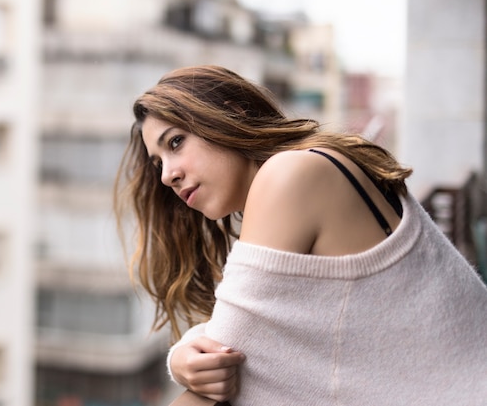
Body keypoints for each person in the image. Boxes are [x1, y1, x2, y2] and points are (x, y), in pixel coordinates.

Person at [113, 65, 487, 405]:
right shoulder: (320, 162)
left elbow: (232, 359)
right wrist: (182, 353)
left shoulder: (290, 176)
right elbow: (242, 340)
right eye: (159, 162)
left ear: (230, 113)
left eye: (176, 142)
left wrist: (183, 355)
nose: (167, 176)